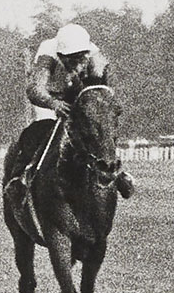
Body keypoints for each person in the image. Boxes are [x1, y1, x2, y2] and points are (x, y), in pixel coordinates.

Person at [21, 22, 133, 197]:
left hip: (79, 100)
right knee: (42, 127)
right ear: (60, 55)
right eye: (72, 60)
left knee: (100, 127)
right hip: (51, 99)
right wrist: (53, 104)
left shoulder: (94, 55)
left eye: (82, 58)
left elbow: (107, 88)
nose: (78, 64)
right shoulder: (47, 53)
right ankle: (25, 175)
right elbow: (34, 89)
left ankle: (116, 172)